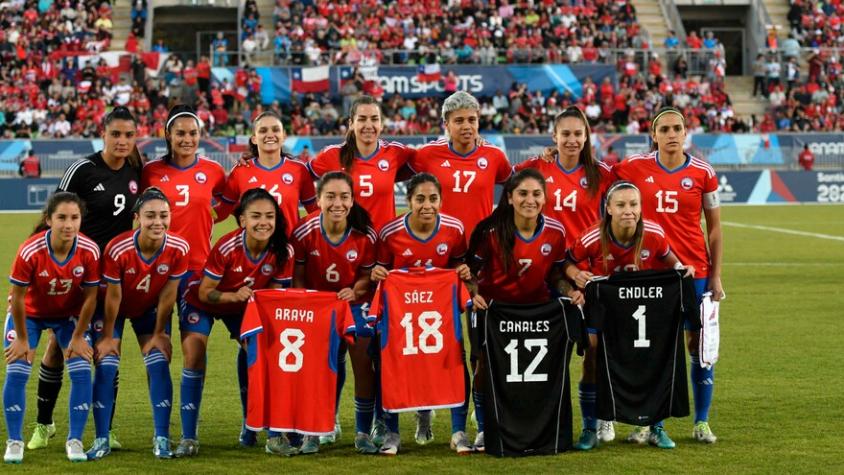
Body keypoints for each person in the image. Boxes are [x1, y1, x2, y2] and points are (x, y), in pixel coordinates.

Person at [28, 106, 142, 452]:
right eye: (115, 134)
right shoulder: (82, 169)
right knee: (58, 347)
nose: (122, 141)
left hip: (113, 278)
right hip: (76, 274)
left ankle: (106, 428)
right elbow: (55, 215)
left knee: (109, 348)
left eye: (128, 135)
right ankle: (43, 423)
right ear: (103, 134)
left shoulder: (137, 170)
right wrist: (33, 266)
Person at [614, 107, 724, 447]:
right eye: (665, 129)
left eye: (678, 128)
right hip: (651, 274)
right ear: (654, 133)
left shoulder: (703, 172)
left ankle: (701, 422)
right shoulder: (633, 167)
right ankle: (649, 422)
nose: (672, 134)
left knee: (699, 347)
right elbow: (597, 175)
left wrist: (716, 277)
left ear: (686, 132)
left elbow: (715, 228)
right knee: (655, 349)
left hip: (696, 273)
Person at [563, 181, 695, 450]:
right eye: (621, 205)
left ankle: (656, 426)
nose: (628, 211)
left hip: (642, 310)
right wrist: (575, 276)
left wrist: (684, 269)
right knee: (592, 355)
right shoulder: (592, 237)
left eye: (633, 204)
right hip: (605, 308)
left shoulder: (654, 234)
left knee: (651, 360)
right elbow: (566, 261)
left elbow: (674, 263)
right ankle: (590, 427)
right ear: (608, 208)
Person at [176, 188, 294, 457]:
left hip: (241, 305)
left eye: (269, 216)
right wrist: (234, 295)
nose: (263, 222)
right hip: (203, 301)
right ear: (242, 220)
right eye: (255, 216)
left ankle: (262, 430)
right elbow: (205, 291)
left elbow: (274, 295)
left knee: (260, 351)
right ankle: (188, 437)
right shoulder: (228, 246)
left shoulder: (282, 250)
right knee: (194, 357)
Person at [465, 168, 572, 452]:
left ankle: (531, 425)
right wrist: (473, 294)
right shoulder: (489, 231)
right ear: (509, 198)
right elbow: (469, 273)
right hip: (493, 310)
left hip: (536, 312)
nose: (530, 200)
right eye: (523, 193)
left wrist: (569, 291)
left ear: (545, 198)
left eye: (536, 194)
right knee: (483, 366)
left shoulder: (555, 231)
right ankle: (485, 426)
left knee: (532, 374)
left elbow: (557, 274)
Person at [370, 173, 473, 455]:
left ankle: (458, 430)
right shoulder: (389, 232)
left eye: (433, 199)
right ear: (409, 200)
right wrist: (378, 273)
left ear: (441, 200)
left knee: (453, 362)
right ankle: (391, 432)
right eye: (420, 199)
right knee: (392, 365)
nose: (427, 205)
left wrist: (462, 272)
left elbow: (458, 265)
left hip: (439, 313)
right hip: (400, 315)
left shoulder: (453, 229)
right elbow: (379, 273)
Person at [84, 188, 189, 461]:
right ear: (137, 218)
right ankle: (101, 439)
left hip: (149, 310)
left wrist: (158, 333)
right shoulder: (118, 248)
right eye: (150, 216)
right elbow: (113, 296)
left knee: (158, 361)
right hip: (113, 310)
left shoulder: (179, 247)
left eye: (164, 216)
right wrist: (107, 335)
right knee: (106, 364)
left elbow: (169, 294)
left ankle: (162, 437)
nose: (158, 222)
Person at [3, 192, 99, 464]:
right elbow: (18, 298)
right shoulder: (30, 250)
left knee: (81, 369)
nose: (68, 224)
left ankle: (75, 440)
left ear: (81, 220)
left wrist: (79, 336)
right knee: (18, 368)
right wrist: (22, 339)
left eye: (74, 218)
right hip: (29, 316)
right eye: (61, 218)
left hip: (67, 316)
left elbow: (92, 296)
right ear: (49, 220)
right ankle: (14, 441)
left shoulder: (89, 250)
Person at [291, 172, 378, 455]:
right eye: (330, 196)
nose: (337, 203)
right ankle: (314, 430)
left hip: (354, 303)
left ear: (352, 200)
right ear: (318, 200)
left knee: (363, 361)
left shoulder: (364, 234)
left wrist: (355, 290)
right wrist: (307, 302)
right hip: (317, 307)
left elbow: (367, 277)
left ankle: (363, 432)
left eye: (343, 196)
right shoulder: (304, 232)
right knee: (316, 368)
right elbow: (298, 277)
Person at [408, 91, 512, 241]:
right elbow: (393, 172)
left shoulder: (495, 155)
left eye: (471, 120)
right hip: (440, 247)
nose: (466, 126)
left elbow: (514, 185)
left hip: (480, 246)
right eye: (459, 121)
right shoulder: (427, 154)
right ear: (446, 125)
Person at [308, 95, 415, 232]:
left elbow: (428, 161)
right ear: (351, 124)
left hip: (383, 245)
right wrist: (315, 209)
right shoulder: (332, 155)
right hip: (346, 245)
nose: (368, 125)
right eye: (362, 119)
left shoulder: (395, 152)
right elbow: (301, 176)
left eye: (374, 119)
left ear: (381, 124)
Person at [515, 107, 613, 248]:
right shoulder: (538, 166)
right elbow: (503, 175)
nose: (572, 140)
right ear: (555, 136)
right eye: (566, 134)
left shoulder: (601, 172)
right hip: (545, 259)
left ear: (585, 137)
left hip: (585, 262)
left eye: (578, 134)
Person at [220, 111, 317, 233]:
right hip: (254, 250)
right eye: (263, 131)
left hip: (290, 249)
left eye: (276, 130)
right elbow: (223, 210)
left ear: (284, 136)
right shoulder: (240, 171)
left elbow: (315, 212)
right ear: (254, 139)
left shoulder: (299, 170)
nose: (270, 135)